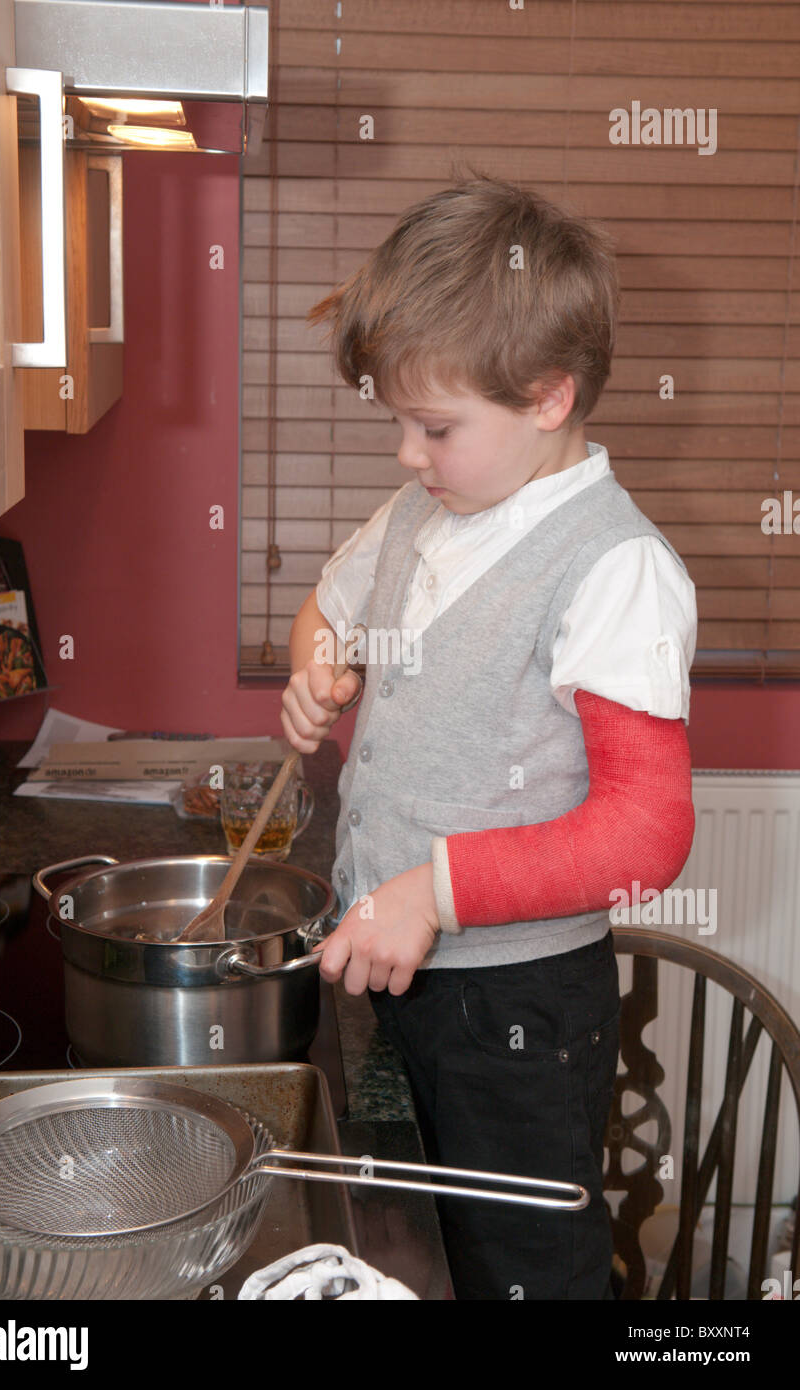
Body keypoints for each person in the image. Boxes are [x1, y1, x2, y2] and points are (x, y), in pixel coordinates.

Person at [280, 177, 697, 1301]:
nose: (408, 455)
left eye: (434, 426)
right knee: (426, 1238)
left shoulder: (613, 568)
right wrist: (317, 662)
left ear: (549, 397)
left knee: (525, 1266)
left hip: (512, 1002)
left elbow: (645, 833)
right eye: (399, 423)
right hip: (398, 972)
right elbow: (333, 604)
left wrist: (434, 890)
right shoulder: (430, 507)